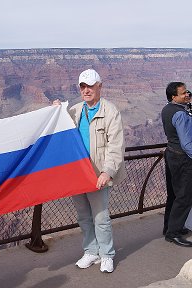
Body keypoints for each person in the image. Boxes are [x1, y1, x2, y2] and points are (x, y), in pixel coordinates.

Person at [54, 68, 126, 273]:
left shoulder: (110, 111)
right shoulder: (76, 110)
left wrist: (107, 172)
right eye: (82, 86)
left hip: (98, 174)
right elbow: (58, 127)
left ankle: (107, 255)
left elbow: (116, 146)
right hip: (78, 174)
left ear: (99, 86)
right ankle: (91, 251)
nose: (86, 90)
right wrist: (56, 110)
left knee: (101, 217)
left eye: (90, 86)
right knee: (84, 216)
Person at [161, 82, 192, 247]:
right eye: (183, 93)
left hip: (171, 154)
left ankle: (169, 228)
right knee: (185, 196)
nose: (187, 94)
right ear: (174, 97)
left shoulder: (166, 109)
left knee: (173, 194)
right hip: (183, 159)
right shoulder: (180, 114)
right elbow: (187, 144)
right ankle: (173, 233)